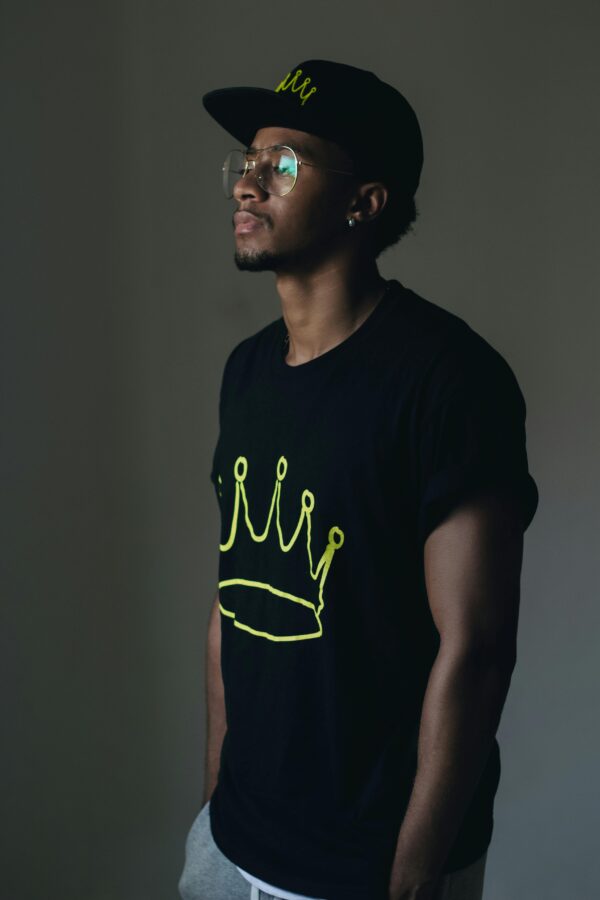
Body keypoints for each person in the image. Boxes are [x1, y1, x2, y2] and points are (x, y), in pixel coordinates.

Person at [178, 59, 539, 900]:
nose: (248, 182)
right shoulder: (247, 371)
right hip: (233, 841)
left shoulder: (448, 379)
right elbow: (231, 601)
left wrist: (411, 877)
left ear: (363, 203)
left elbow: (477, 651)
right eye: (247, 162)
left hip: (366, 862)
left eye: (286, 164)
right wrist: (213, 807)